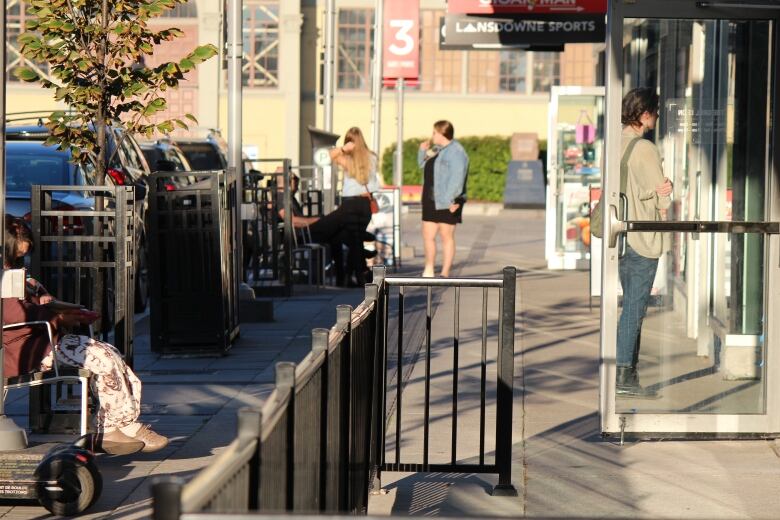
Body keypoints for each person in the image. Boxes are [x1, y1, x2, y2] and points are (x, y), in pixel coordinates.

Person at [2, 218, 168, 455]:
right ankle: (112, 427)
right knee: (102, 358)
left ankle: (125, 424)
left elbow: (31, 304)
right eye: (18, 254)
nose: (21, 259)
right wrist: (59, 317)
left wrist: (60, 309)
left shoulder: (15, 273)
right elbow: (15, 314)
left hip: (42, 340)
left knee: (112, 354)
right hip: (29, 349)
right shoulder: (3, 277)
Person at [616, 87, 673, 398]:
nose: (657, 117)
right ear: (645, 113)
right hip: (643, 236)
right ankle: (624, 375)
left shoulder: (615, 145)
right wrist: (668, 187)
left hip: (622, 237)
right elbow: (663, 198)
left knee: (629, 305)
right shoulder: (645, 149)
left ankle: (627, 374)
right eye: (655, 111)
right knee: (634, 309)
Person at [329, 127, 380, 285]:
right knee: (356, 239)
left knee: (354, 240)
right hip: (365, 203)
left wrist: (343, 149)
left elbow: (329, 156)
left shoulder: (346, 159)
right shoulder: (372, 157)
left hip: (350, 203)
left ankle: (357, 274)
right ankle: (354, 274)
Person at [418, 120, 469, 278]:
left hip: (448, 200)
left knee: (446, 236)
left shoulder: (457, 152)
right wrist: (422, 151)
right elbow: (422, 164)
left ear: (442, 133)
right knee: (428, 235)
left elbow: (458, 178)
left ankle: (445, 272)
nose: (432, 135)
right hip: (430, 198)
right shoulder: (436, 149)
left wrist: (451, 200)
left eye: (434, 132)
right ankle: (429, 269)